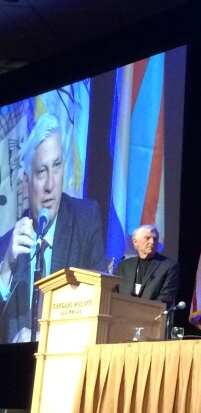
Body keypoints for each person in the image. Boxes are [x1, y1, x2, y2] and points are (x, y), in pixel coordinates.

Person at [0, 113, 105, 343]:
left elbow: (98, 310)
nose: (50, 184)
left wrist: (42, 338)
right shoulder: (7, 246)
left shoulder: (85, 220)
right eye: (41, 172)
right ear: (26, 182)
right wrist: (6, 267)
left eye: (56, 166)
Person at [115, 224, 179, 305]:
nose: (152, 242)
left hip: (150, 315)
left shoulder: (169, 266)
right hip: (121, 314)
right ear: (135, 242)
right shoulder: (124, 266)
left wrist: (142, 310)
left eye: (155, 239)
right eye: (147, 238)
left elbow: (166, 297)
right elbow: (114, 292)